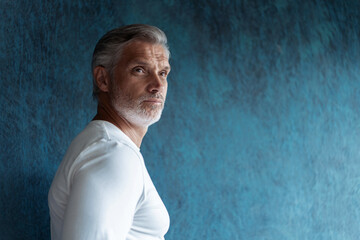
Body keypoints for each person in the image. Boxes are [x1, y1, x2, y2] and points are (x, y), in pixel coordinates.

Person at [48, 24, 171, 240]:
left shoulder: (106, 145)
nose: (157, 85)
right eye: (140, 70)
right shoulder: (113, 153)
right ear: (103, 79)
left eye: (163, 72)